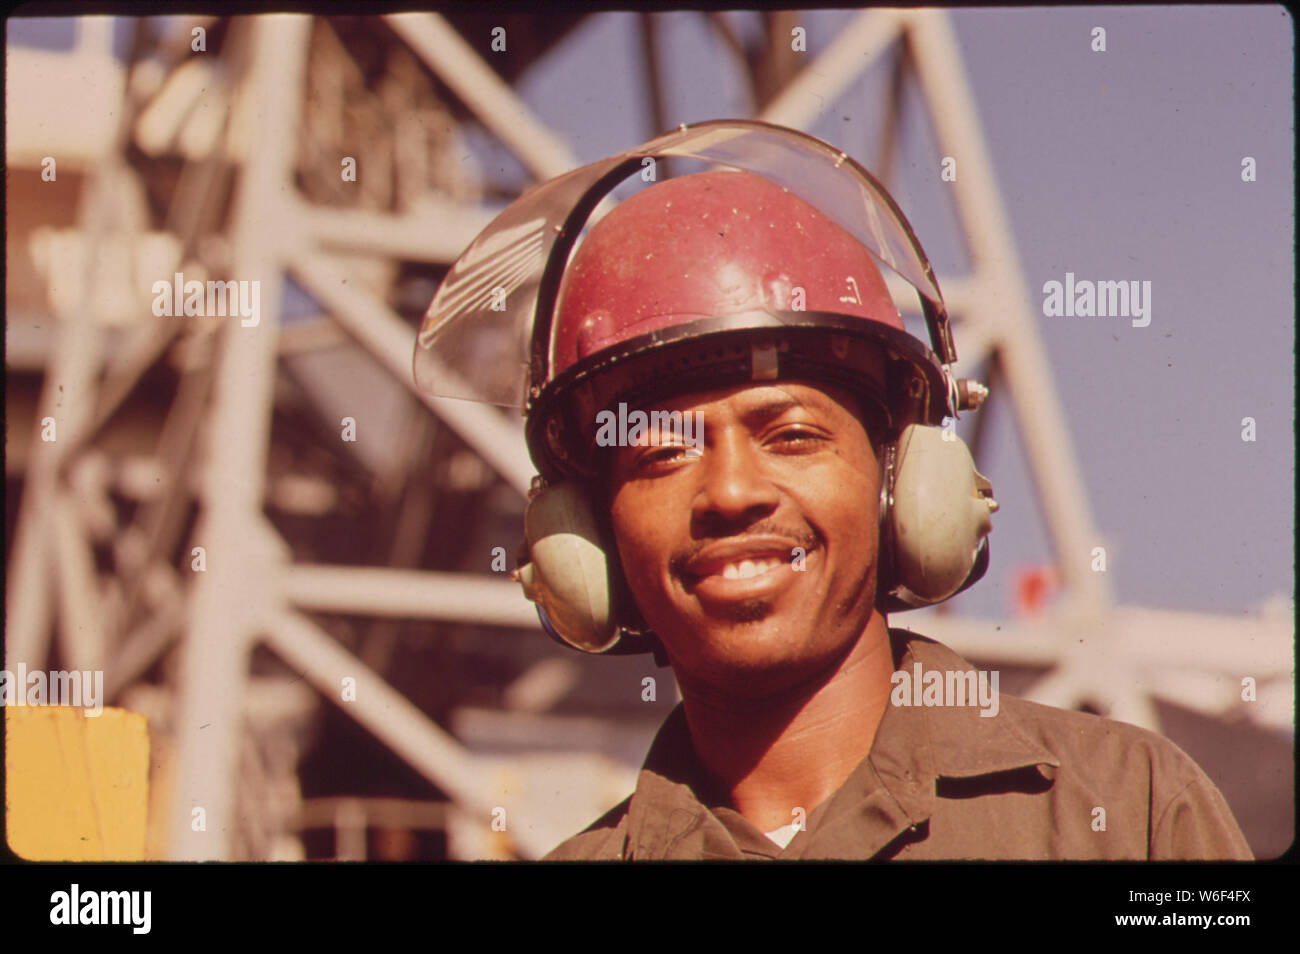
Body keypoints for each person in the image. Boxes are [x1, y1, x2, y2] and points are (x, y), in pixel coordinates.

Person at [414, 120, 1252, 861]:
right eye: (661, 455)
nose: (732, 492)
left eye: (791, 435)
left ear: (905, 485)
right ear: (590, 539)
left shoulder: (1126, 815)